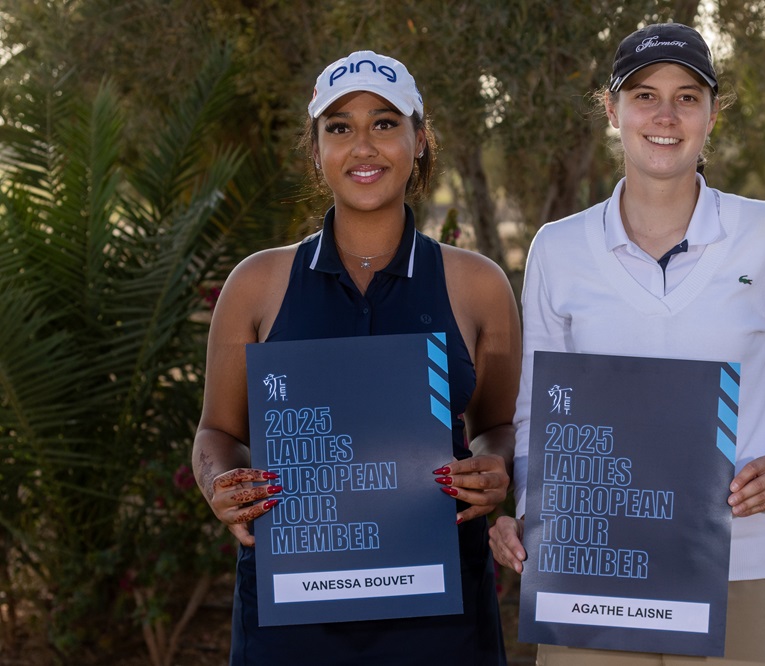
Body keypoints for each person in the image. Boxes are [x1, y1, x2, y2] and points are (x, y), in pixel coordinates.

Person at [489, 22, 765, 665]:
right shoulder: (558, 248)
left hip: (741, 565)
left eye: (688, 96)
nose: (665, 114)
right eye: (644, 94)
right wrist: (529, 513)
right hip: (592, 570)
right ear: (612, 109)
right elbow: (539, 411)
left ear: (712, 114)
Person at [192, 50, 521, 665]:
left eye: (385, 123)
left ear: (420, 141)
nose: (363, 146)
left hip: (440, 611)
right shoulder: (257, 283)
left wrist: (494, 466)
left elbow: (498, 426)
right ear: (316, 151)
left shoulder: (477, 285)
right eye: (339, 127)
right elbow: (218, 431)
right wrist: (220, 485)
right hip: (290, 607)